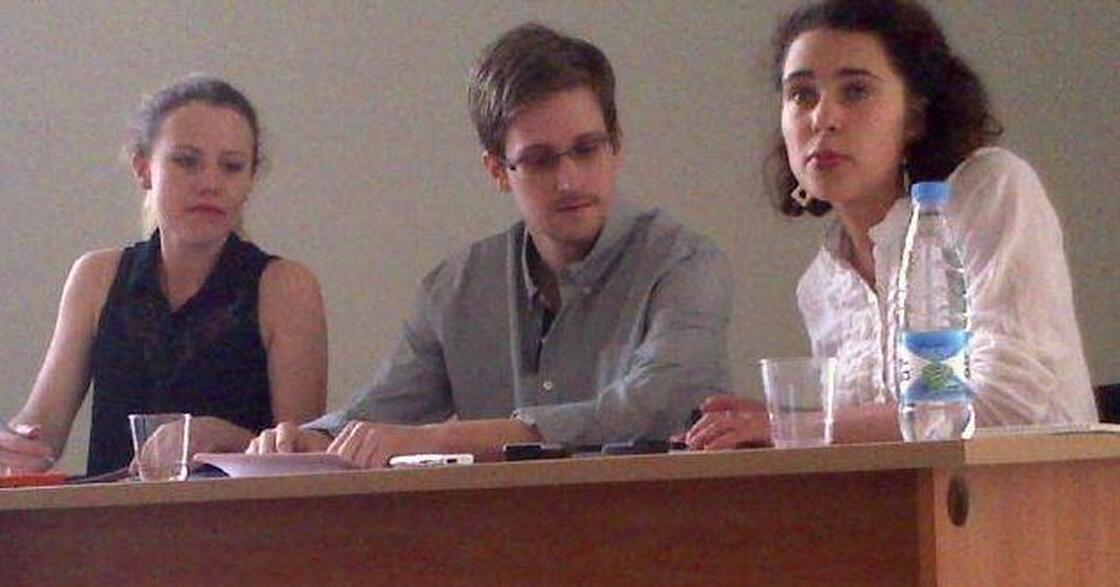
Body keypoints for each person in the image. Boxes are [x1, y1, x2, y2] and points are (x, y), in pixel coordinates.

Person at [248, 23, 731, 467]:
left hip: (659, 538)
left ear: (616, 146)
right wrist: (310, 439)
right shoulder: (457, 287)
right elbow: (381, 411)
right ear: (498, 171)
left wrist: (436, 440)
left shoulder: (685, 263)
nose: (569, 180)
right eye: (539, 160)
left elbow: (652, 409)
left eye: (586, 149)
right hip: (498, 543)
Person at [687, 0, 1096, 450]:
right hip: (911, 511)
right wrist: (764, 431)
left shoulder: (989, 189)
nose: (823, 118)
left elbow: (1008, 405)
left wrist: (796, 426)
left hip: (1044, 505)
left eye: (856, 91)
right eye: (801, 95)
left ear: (915, 116)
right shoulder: (820, 284)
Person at [0, 76, 328, 475]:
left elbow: (303, 461)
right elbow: (40, 431)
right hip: (111, 523)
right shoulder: (97, 276)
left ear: (250, 180)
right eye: (186, 161)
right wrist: (15, 448)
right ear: (143, 168)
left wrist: (222, 436)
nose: (210, 183)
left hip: (239, 525)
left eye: (231, 166)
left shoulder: (286, 287)